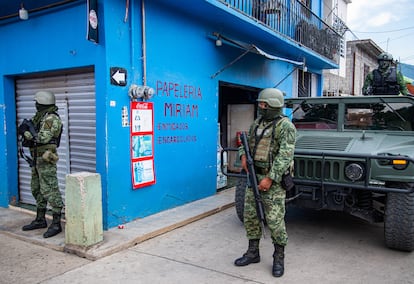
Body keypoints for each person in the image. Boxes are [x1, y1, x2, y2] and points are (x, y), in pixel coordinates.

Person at [235, 88, 296, 277]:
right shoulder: (257, 124)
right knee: (251, 216)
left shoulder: (286, 126)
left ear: (274, 106)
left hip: (274, 181)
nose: (261, 107)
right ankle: (253, 252)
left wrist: (270, 178)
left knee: (275, 221)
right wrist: (243, 155)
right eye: (260, 104)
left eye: (264, 104)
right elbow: (246, 145)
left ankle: (279, 257)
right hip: (254, 176)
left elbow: (285, 155)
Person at [20, 90, 64, 238]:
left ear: (43, 103)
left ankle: (56, 223)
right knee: (37, 189)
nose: (36, 105)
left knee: (50, 189)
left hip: (46, 159)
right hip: (36, 159)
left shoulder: (52, 118)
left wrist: (26, 133)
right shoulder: (40, 117)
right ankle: (40, 219)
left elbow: (42, 138)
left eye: (37, 102)